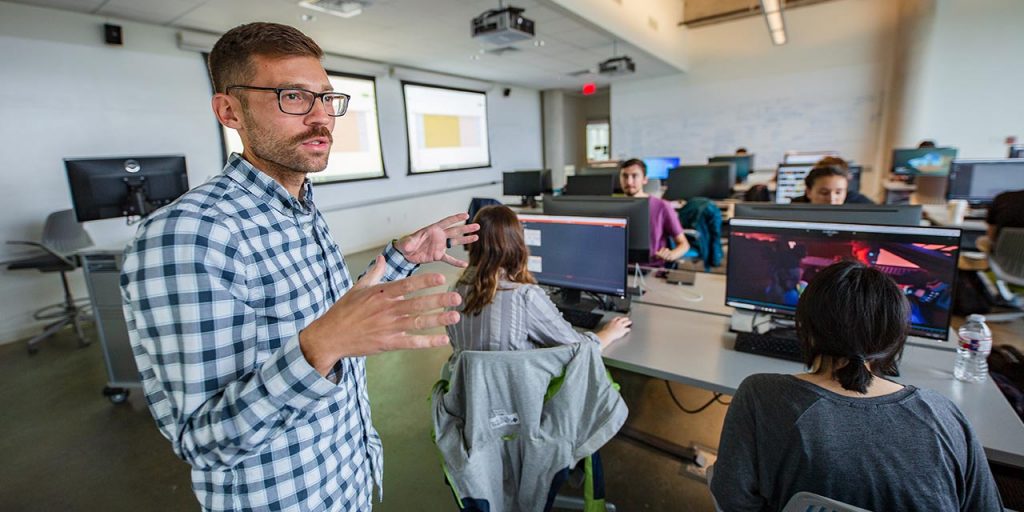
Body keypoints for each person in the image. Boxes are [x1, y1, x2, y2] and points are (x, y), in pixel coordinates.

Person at [120, 22, 481, 511]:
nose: (322, 118)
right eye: (293, 96)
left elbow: (326, 316)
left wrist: (401, 259)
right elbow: (205, 442)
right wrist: (322, 346)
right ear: (230, 110)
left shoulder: (299, 207)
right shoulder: (189, 235)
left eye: (326, 98)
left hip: (347, 474)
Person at [710, 261, 1003, 511]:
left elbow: (733, 500)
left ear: (805, 328)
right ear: (895, 337)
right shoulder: (944, 415)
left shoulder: (760, 396)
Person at [447, 205, 631, 352]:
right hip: (518, 395)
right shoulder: (525, 296)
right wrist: (608, 333)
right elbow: (578, 348)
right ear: (517, 244)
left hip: (469, 392)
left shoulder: (455, 291)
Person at [618, 158, 691, 266]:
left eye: (634, 176)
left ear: (645, 179)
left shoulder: (662, 206)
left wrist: (671, 254)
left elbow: (684, 244)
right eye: (625, 176)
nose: (629, 181)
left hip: (651, 268)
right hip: (618, 266)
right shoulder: (613, 206)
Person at [790, 162, 873, 205]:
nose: (832, 199)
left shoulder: (861, 209)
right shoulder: (792, 213)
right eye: (824, 193)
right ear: (809, 192)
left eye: (838, 192)